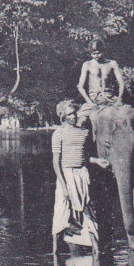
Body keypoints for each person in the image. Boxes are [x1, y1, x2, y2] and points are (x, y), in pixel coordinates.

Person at [52, 99, 111, 255]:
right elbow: (56, 163)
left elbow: (84, 156)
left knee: (88, 209)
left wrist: (97, 161)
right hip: (66, 174)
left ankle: (96, 250)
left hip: (82, 173)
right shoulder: (58, 134)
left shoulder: (83, 133)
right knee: (61, 211)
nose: (73, 116)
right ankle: (55, 252)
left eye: (74, 113)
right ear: (62, 116)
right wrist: (64, 186)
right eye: (69, 114)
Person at [77, 40, 124, 125]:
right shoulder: (87, 65)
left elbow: (121, 83)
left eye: (98, 53)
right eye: (93, 54)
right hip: (94, 98)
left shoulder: (112, 63)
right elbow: (80, 86)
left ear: (103, 51)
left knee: (126, 117)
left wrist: (119, 99)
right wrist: (90, 103)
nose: (96, 56)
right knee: (81, 121)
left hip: (110, 98)